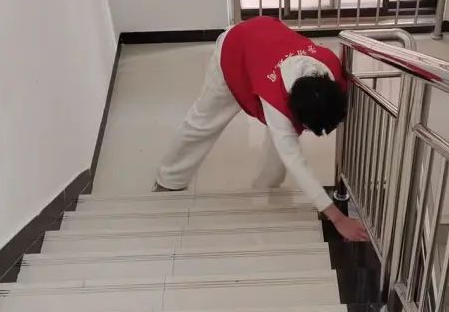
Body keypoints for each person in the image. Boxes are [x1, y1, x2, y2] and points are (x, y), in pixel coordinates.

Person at [155, 16, 370, 242]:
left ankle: (266, 185)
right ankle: (169, 178)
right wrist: (338, 218)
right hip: (234, 51)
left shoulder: (330, 67)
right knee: (203, 122)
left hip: (265, 37)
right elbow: (295, 160)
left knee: (282, 138)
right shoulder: (276, 103)